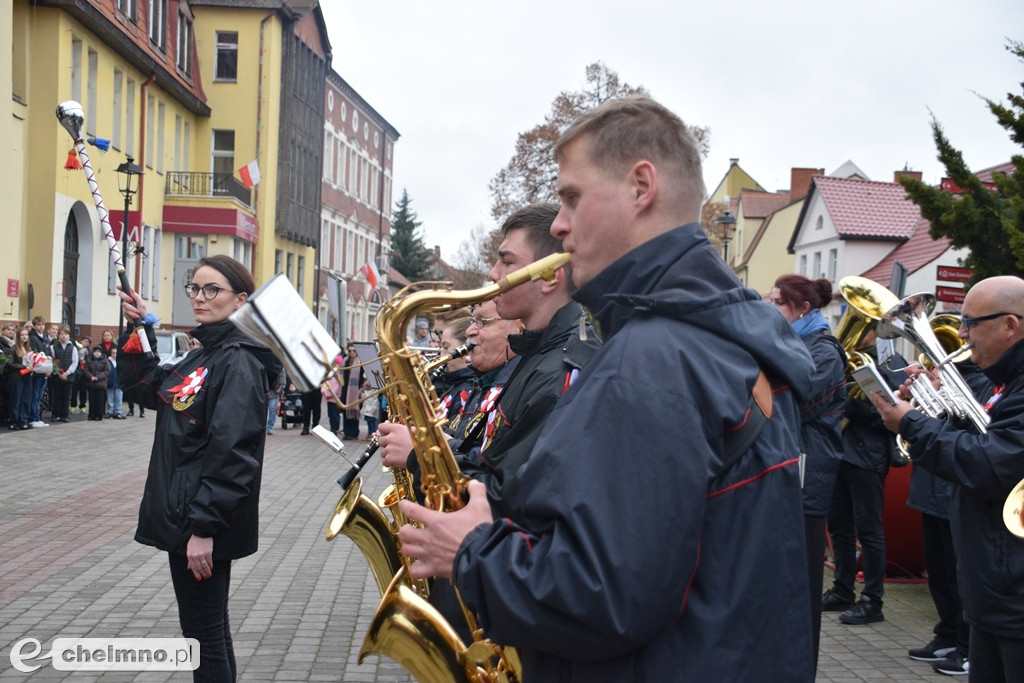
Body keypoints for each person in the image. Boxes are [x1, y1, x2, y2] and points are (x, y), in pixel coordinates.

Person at [394, 96, 816, 680]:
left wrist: (471, 552)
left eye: (571, 197)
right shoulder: (734, 337)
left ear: (641, 186)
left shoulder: (652, 361)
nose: (560, 224)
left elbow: (600, 597)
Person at [117, 254, 282, 681]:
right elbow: (144, 385)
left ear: (240, 299)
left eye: (212, 290)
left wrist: (204, 529)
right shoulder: (205, 354)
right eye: (195, 288)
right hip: (186, 514)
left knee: (203, 638)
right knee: (208, 633)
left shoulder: (238, 359)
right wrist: (137, 326)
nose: (200, 297)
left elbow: (234, 450)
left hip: (200, 521)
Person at [872, 275, 1024, 682]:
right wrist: (936, 407)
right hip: (996, 588)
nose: (960, 334)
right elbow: (984, 440)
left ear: (1010, 326)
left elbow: (993, 465)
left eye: (970, 323)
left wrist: (914, 424)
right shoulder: (1003, 382)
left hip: (1014, 593)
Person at [769, 274, 847, 667]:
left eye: (779, 302)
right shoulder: (793, 344)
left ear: (804, 309)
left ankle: (802, 667)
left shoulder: (824, 351)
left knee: (803, 591)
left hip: (808, 482)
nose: (771, 308)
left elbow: (790, 400)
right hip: (789, 477)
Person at [904, 355, 989, 675]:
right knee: (938, 571)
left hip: (952, 491)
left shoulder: (981, 383)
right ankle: (947, 634)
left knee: (958, 576)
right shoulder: (949, 382)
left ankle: (967, 648)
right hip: (931, 490)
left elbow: (965, 433)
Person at [821, 327, 907, 625]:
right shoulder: (846, 359)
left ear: (875, 332)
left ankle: (872, 600)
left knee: (868, 530)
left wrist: (850, 405)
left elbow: (891, 416)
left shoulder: (890, 364)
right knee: (840, 527)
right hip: (841, 453)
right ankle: (842, 589)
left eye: (866, 328)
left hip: (867, 457)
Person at [49, 324, 79, 423]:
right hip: (57, 376)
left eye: (65, 334)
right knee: (57, 395)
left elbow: (75, 362)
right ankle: (56, 414)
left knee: (66, 396)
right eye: (61, 334)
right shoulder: (54, 347)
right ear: (58, 335)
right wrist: (58, 372)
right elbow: (52, 361)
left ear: (68, 335)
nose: (63, 336)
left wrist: (67, 373)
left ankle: (64, 415)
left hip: (68, 376)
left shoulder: (73, 348)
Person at [5, 326, 33, 430]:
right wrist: (24, 367)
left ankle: (23, 420)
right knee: (15, 399)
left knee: (25, 399)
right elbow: (10, 364)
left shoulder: (28, 349)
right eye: (22, 335)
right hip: (16, 377)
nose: (25, 337)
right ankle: (13, 421)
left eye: (26, 335)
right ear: (18, 336)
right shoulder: (13, 349)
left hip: (27, 377)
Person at [27, 316, 51, 428]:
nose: (41, 327)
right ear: (35, 326)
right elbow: (35, 355)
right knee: (35, 395)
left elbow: (48, 354)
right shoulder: (33, 338)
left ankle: (37, 417)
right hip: (37, 372)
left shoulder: (45, 338)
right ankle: (33, 417)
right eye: (39, 325)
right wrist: (42, 368)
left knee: (39, 396)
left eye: (43, 325)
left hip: (45, 371)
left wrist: (49, 369)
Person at [338, 344, 363, 439]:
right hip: (345, 390)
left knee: (354, 411)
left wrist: (361, 389)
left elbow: (361, 378)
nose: (352, 352)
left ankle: (354, 433)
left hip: (355, 391)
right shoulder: (345, 362)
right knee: (345, 411)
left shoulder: (360, 363)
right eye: (350, 351)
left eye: (353, 351)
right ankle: (346, 432)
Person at [83, 345, 109, 421]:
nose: (97, 353)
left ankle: (99, 415)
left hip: (101, 383)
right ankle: (91, 414)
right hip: (91, 383)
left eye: (98, 352)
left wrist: (98, 377)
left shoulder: (105, 360)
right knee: (92, 400)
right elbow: (86, 370)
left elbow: (106, 371)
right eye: (95, 352)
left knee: (100, 400)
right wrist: (90, 377)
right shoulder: (89, 360)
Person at [322, 355, 344, 435]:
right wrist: (324, 391)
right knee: (330, 414)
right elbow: (325, 383)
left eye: (337, 364)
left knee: (335, 414)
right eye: (334, 363)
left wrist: (330, 394)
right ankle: (332, 427)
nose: (335, 365)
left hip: (335, 399)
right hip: (329, 398)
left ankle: (336, 428)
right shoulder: (329, 374)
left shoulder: (339, 375)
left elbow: (338, 387)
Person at [106, 347, 125, 419]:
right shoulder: (108, 361)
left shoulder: (121, 362)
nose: (115, 355)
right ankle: (110, 412)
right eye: (113, 353)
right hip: (110, 382)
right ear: (111, 354)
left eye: (116, 353)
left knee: (118, 398)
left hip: (119, 382)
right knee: (110, 399)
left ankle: (118, 412)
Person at [74, 335, 91, 414]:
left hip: (84, 372)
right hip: (76, 371)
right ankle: (73, 405)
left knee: (83, 390)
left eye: (87, 341)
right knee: (74, 390)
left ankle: (83, 406)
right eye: (84, 340)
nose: (85, 342)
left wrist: (86, 360)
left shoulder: (89, 352)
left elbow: (90, 361)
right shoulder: (76, 349)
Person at [266, 366, 285, 435]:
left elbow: (282, 373)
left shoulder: (276, 363)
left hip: (274, 390)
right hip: (264, 390)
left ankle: (269, 427)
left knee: (272, 408)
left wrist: (281, 386)